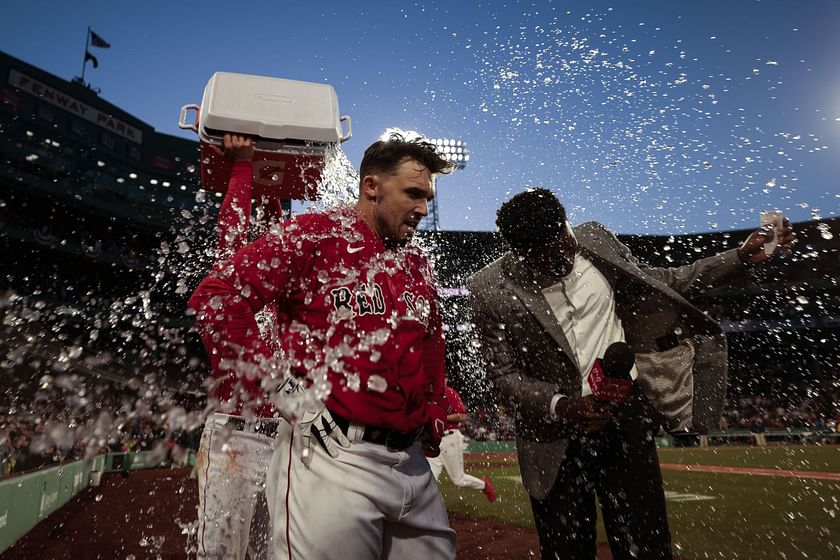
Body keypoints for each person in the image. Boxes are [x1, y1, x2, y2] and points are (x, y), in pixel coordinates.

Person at [467, 188, 795, 559]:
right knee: (566, 551)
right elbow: (503, 374)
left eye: (564, 246)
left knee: (648, 545)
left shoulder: (593, 238)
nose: (563, 260)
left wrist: (737, 259)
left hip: (625, 418)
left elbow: (664, 280)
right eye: (547, 259)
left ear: (565, 228)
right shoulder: (488, 288)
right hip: (554, 435)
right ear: (522, 254)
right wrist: (563, 406)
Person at [189, 131, 457, 560]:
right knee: (226, 551)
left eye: (427, 196)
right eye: (413, 193)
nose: (424, 208)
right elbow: (217, 296)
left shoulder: (417, 263)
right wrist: (283, 389)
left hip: (412, 464)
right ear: (371, 186)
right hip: (331, 452)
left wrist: (435, 404)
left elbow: (430, 339)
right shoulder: (314, 235)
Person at [193, 134, 280, 560]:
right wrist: (245, 168)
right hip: (236, 435)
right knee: (222, 554)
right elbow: (231, 235)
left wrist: (274, 191)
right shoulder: (231, 289)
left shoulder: (290, 291)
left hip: (288, 437)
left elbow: (283, 241)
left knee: (279, 552)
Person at [427, 382, 497, 503]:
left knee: (458, 480)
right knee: (429, 479)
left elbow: (462, 416)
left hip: (450, 438)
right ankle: (427, 510)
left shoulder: (450, 393)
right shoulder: (427, 393)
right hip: (433, 439)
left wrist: (441, 416)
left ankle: (484, 485)